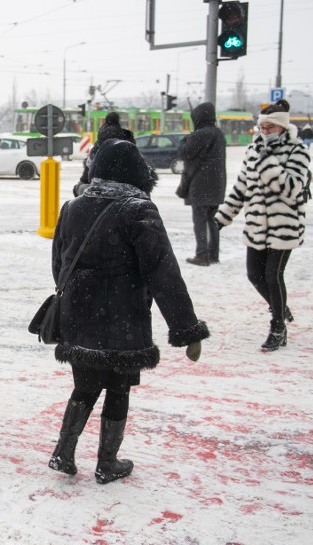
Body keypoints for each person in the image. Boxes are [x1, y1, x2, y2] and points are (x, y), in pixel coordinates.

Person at [48, 139, 209, 484]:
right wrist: (187, 327)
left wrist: (77, 293)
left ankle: (64, 451)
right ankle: (108, 462)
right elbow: (164, 273)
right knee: (118, 388)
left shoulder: (72, 206)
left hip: (78, 313)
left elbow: (59, 263)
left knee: (85, 385)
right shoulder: (139, 210)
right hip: (123, 315)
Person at [215, 99, 311, 352]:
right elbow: (241, 187)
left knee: (273, 275)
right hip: (256, 225)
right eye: (262, 128)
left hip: (284, 227)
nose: (265, 132)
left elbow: (290, 187)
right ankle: (281, 307)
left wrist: (268, 161)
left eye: (270, 128)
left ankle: (278, 327)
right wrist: (222, 217)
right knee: (254, 275)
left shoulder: (297, 151)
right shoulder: (254, 150)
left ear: (282, 127)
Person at [175, 102, 227, 266]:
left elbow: (184, 152)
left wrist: (186, 138)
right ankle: (213, 254)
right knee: (212, 220)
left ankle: (202, 255)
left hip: (200, 185)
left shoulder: (199, 135)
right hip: (217, 183)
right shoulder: (218, 134)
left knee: (199, 221)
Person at [73, 112, 135, 197]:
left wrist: (78, 188)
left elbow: (86, 176)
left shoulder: (97, 149)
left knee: (80, 187)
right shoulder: (129, 148)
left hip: (96, 198)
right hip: (129, 195)